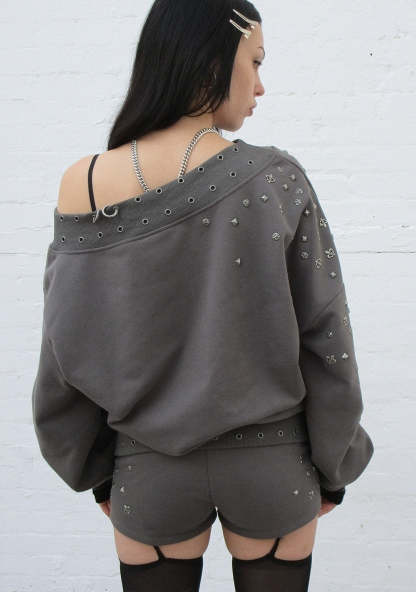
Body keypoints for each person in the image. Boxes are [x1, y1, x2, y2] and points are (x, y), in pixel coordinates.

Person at [31, 1, 374, 590]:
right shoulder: (275, 178)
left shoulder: (84, 182)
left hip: (148, 471)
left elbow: (65, 345)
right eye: (255, 62)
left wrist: (92, 467)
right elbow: (326, 337)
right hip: (274, 465)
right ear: (213, 58)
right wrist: (335, 462)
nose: (261, 86)